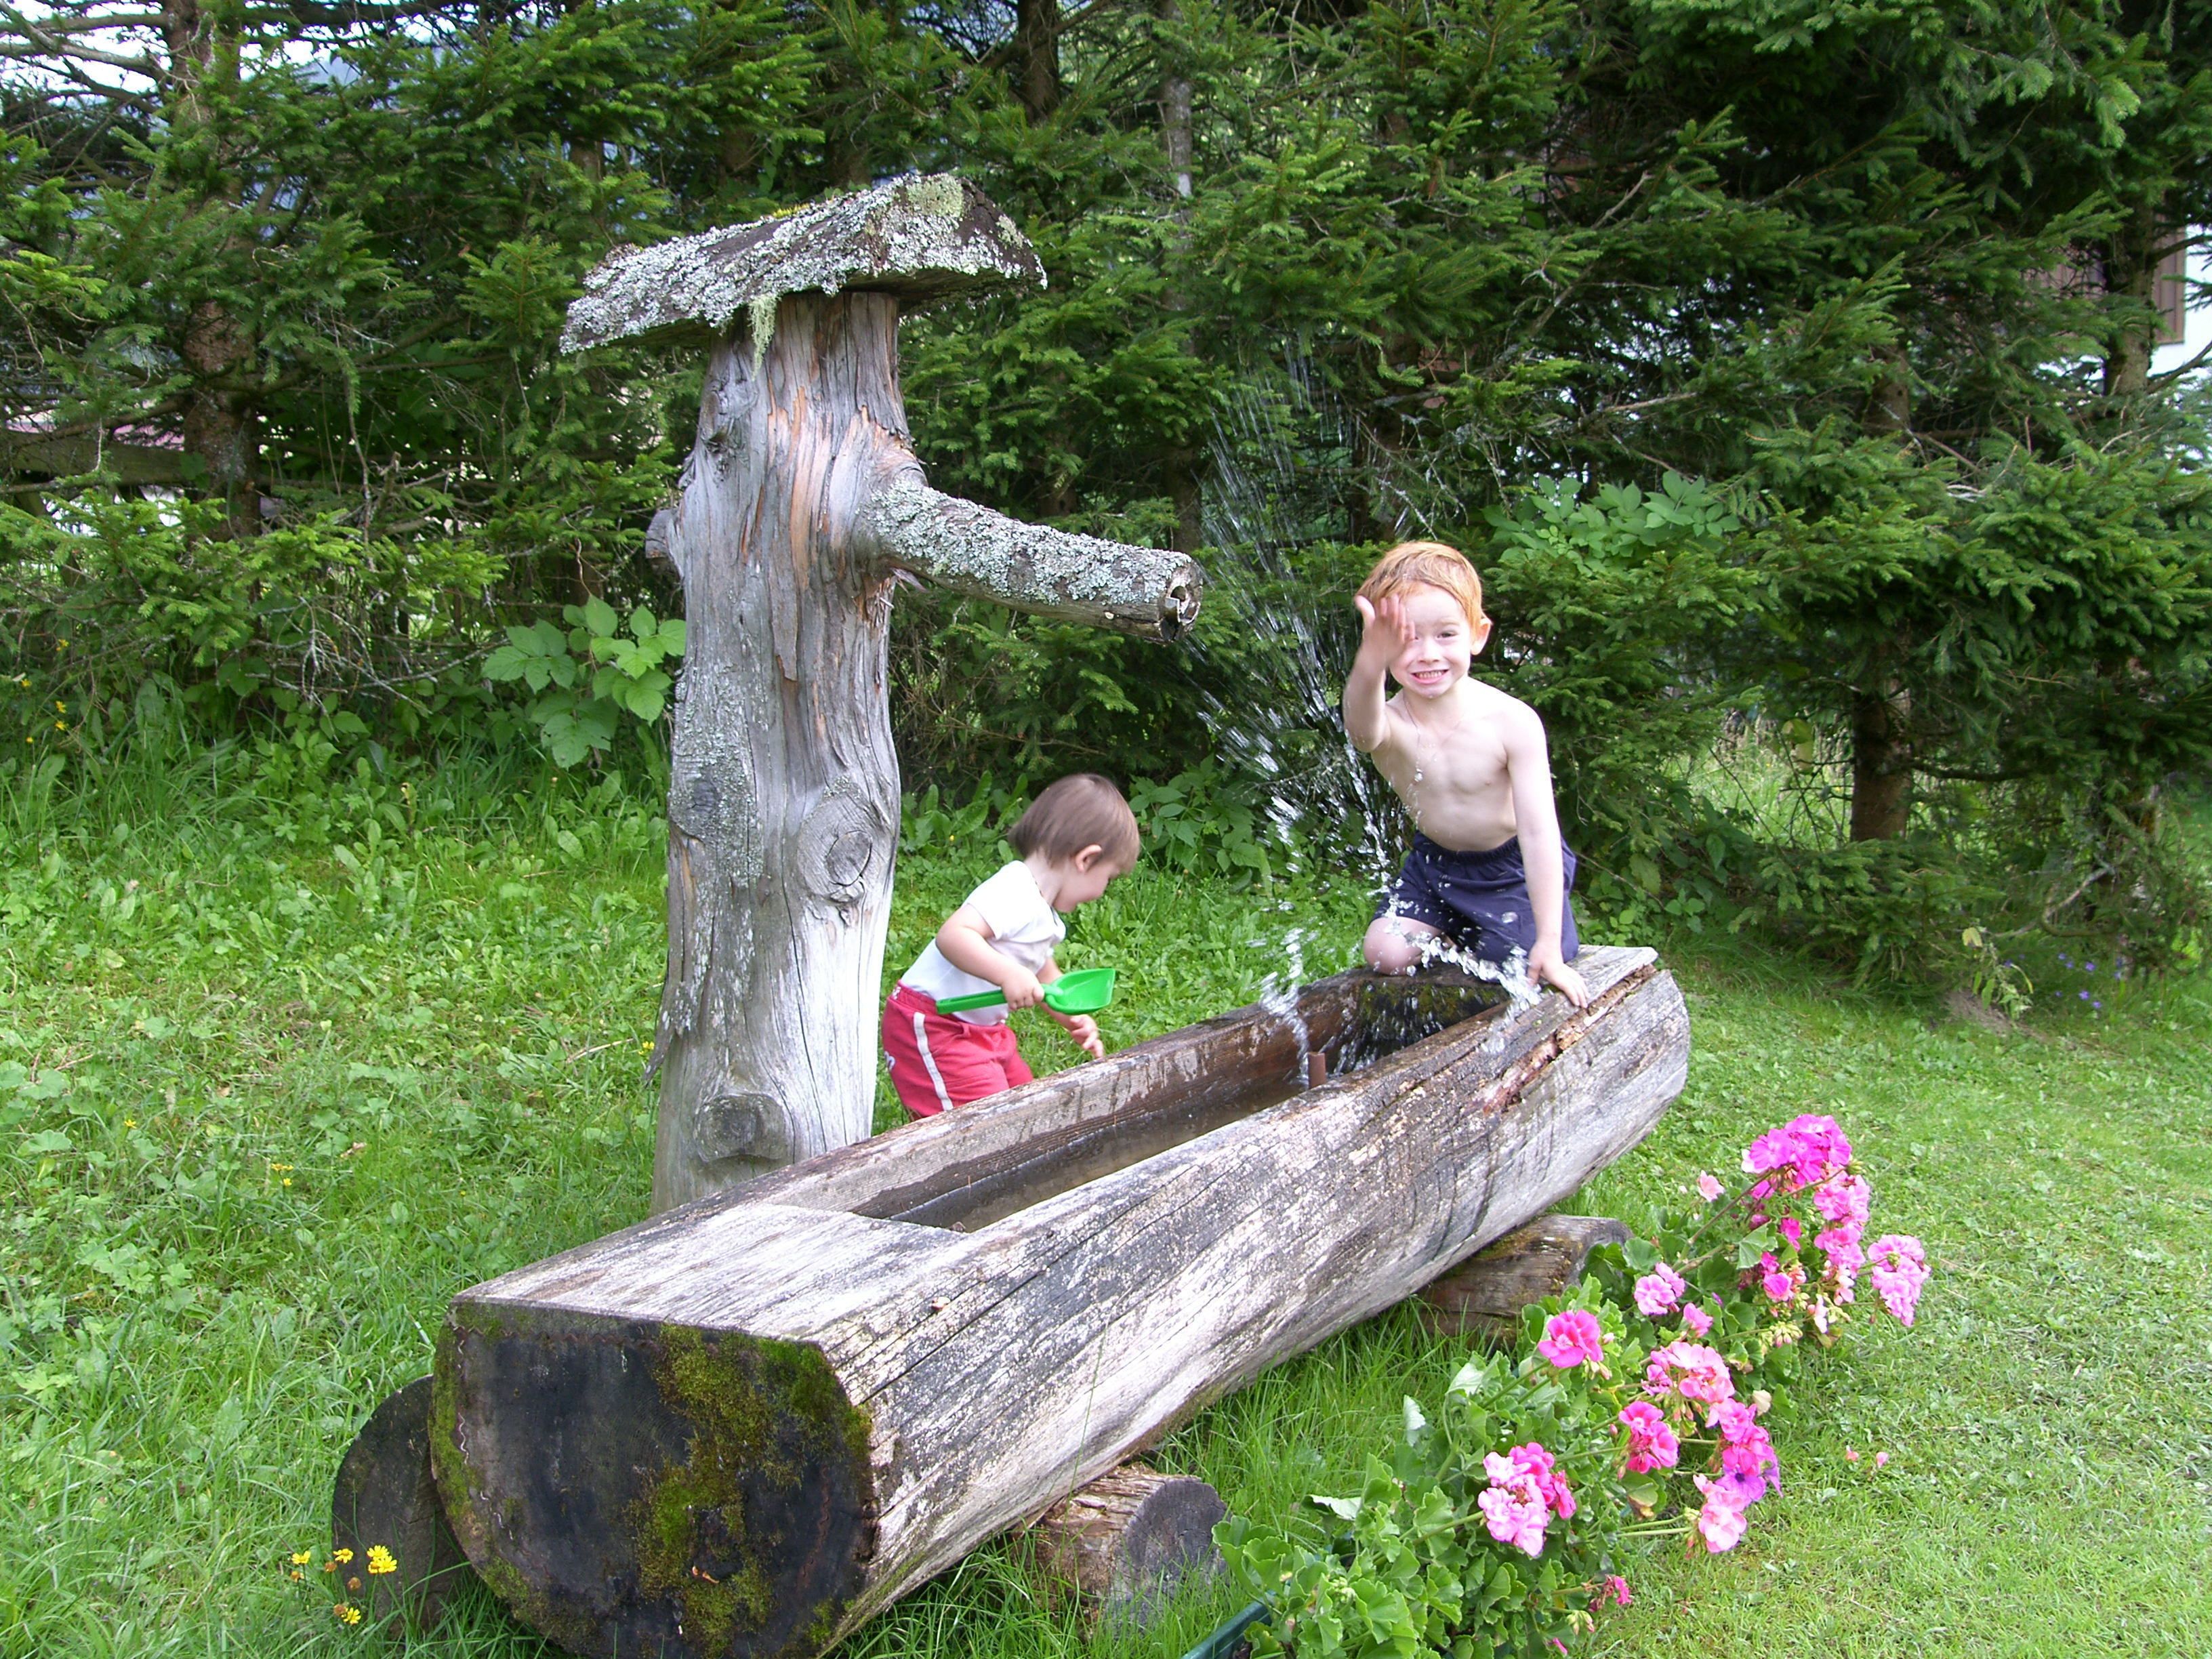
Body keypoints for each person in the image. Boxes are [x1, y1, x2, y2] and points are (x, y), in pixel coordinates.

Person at [1344, 541, 1590, 1007]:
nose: (1426, 654)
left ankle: (1517, 935)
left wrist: (1549, 943)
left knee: (1518, 963)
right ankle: (1455, 931)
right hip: (1434, 865)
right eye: (1407, 638)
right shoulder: (1391, 723)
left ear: (1478, 635)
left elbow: (1540, 834)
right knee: (1385, 952)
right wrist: (1370, 662)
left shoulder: (1511, 722)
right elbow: (1360, 731)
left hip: (1511, 867)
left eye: (1446, 635)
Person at [884, 773, 1139, 1115]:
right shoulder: (1015, 889)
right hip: (936, 1023)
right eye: (1108, 878)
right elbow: (954, 935)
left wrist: (1068, 1015)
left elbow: (1042, 971)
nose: (1103, 890)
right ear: (1086, 860)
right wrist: (1007, 974)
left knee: (1023, 1105)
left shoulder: (1042, 911)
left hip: (981, 1029)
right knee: (981, 1123)